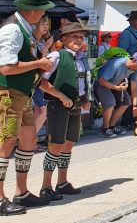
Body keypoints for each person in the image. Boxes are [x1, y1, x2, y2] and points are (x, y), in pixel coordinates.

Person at [0, 0, 56, 213]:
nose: (44, 15)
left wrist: (40, 59)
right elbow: (6, 67)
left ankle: (21, 192)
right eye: (43, 10)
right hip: (8, 95)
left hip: (22, 95)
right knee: (5, 143)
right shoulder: (13, 29)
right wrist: (39, 64)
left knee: (29, 140)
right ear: (34, 10)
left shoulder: (25, 28)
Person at [37, 22, 92, 201]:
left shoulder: (80, 58)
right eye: (75, 36)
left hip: (75, 105)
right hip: (58, 106)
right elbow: (41, 82)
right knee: (56, 145)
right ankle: (45, 186)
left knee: (68, 144)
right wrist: (61, 96)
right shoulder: (56, 56)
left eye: (81, 37)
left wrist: (85, 99)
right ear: (64, 38)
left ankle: (62, 182)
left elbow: (81, 82)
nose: (79, 39)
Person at [95, 51, 137, 138]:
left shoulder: (134, 69)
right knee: (110, 103)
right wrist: (116, 88)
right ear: (134, 60)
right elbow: (102, 81)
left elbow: (134, 88)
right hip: (102, 84)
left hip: (115, 84)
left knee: (126, 102)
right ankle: (105, 129)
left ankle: (111, 127)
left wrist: (135, 106)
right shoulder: (117, 64)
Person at [117, 11, 137, 131]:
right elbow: (122, 52)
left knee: (135, 91)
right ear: (131, 21)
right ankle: (127, 119)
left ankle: (134, 117)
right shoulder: (126, 34)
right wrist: (131, 61)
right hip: (129, 66)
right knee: (128, 92)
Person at [31, 16, 54, 152]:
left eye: (47, 24)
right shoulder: (32, 41)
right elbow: (36, 62)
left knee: (38, 111)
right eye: (43, 24)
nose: (46, 27)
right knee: (42, 110)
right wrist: (45, 49)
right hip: (32, 81)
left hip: (40, 80)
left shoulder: (42, 41)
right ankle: (29, 141)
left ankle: (31, 142)